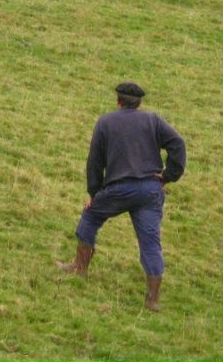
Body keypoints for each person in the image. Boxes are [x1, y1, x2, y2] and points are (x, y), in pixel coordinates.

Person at [57, 81, 186, 312]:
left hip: (118, 189)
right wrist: (167, 176)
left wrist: (94, 194)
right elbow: (178, 143)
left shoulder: (106, 122)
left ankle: (80, 267)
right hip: (150, 191)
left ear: (118, 101)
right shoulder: (153, 120)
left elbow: (94, 161)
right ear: (139, 103)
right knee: (150, 243)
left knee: (90, 218)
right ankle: (153, 300)